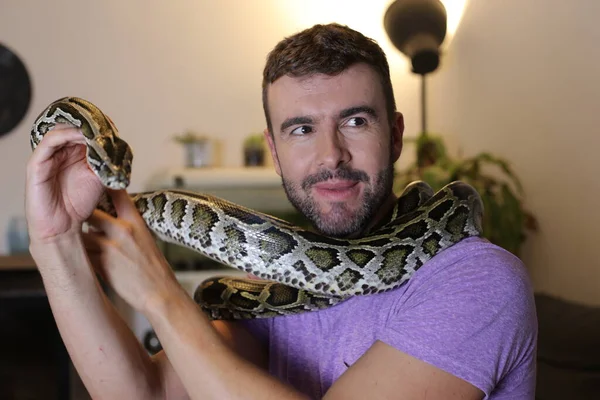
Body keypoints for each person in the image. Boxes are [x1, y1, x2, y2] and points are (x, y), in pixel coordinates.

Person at [25, 23, 537, 399]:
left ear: (396, 134)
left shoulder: (477, 280)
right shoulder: (273, 297)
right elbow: (144, 394)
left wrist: (160, 294)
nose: (331, 155)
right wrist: (55, 242)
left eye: (355, 121)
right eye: (301, 129)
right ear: (274, 150)